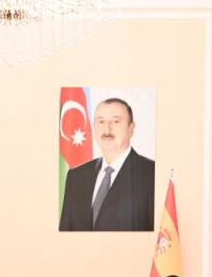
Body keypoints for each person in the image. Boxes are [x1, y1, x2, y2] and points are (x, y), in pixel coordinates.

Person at [59, 98, 155, 231]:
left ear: (131, 128)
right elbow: (65, 233)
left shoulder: (152, 174)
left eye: (116, 121)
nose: (107, 129)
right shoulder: (76, 176)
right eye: (101, 121)